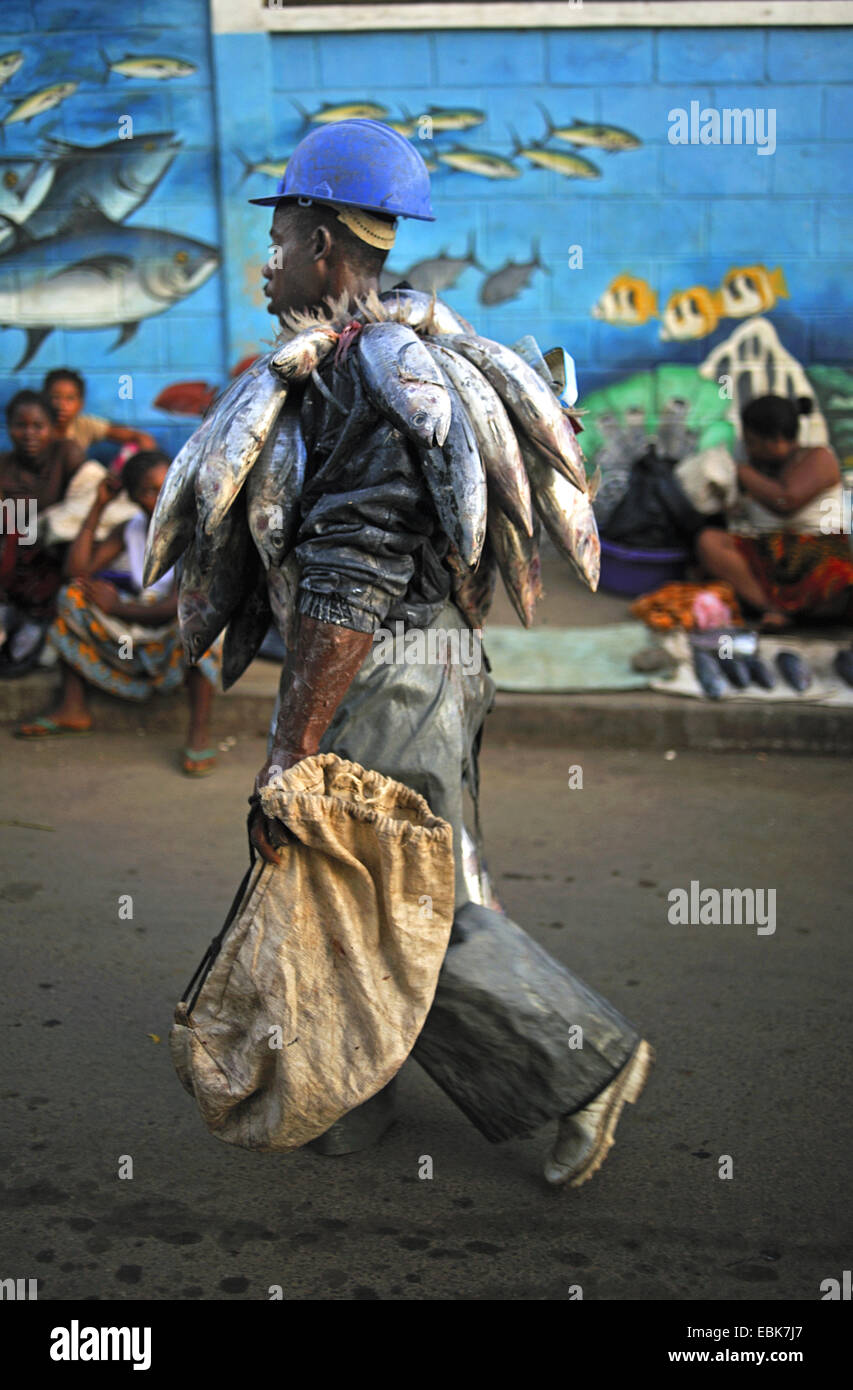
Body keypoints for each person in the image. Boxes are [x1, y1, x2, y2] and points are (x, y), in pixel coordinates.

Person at [239, 120, 652, 1184]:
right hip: (430, 663)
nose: (268, 262)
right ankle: (351, 1092)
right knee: (347, 883)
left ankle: (584, 1065)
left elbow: (350, 578)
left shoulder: (367, 379)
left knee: (405, 898)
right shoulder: (342, 362)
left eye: (282, 239)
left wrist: (292, 744)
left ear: (327, 247)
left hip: (385, 666)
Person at [15, 450, 220, 776]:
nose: (162, 495)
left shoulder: (199, 529)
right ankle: (73, 708)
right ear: (134, 497)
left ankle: (198, 732)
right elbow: (76, 571)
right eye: (149, 491)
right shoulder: (131, 528)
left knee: (204, 621)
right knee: (71, 597)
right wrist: (98, 506)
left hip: (173, 624)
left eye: (168, 483)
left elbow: (185, 604)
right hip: (139, 621)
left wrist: (120, 607)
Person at [696, 396, 853, 630]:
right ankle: (772, 608)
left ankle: (809, 610)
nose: (749, 449)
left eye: (753, 442)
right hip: (769, 556)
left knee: (835, 570)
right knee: (709, 541)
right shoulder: (759, 468)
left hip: (816, 552)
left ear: (777, 440)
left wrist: (739, 471)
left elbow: (785, 500)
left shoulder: (819, 458)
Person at [0, 389, 84, 675]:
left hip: (58, 566)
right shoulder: (3, 468)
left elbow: (83, 505)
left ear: (52, 428)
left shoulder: (66, 454)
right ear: (9, 428)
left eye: (38, 426)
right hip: (16, 570)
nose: (29, 434)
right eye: (20, 426)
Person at [43, 368, 156, 459]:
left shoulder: (83, 424)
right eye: (55, 398)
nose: (62, 405)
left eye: (70, 399)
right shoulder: (38, 426)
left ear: (80, 404)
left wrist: (146, 463)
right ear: (44, 398)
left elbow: (141, 437)